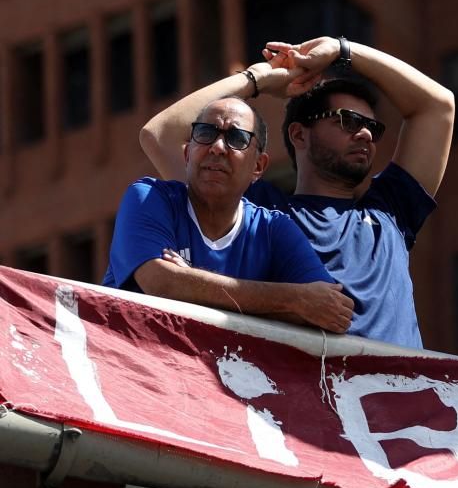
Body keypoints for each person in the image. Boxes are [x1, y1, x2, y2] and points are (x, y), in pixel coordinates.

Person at [139, 36, 455, 348]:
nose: (365, 135)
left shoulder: (390, 210)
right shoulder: (256, 213)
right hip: (300, 396)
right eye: (348, 121)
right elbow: (160, 134)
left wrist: (342, 50)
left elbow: (438, 106)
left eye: (373, 128)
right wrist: (258, 78)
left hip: (399, 394)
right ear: (299, 134)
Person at [104, 96, 352, 332]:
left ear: (258, 167)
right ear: (187, 154)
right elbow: (161, 282)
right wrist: (294, 300)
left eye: (236, 137)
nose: (218, 147)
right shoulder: (148, 197)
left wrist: (190, 282)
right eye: (205, 133)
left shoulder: (273, 229)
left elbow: (333, 311)